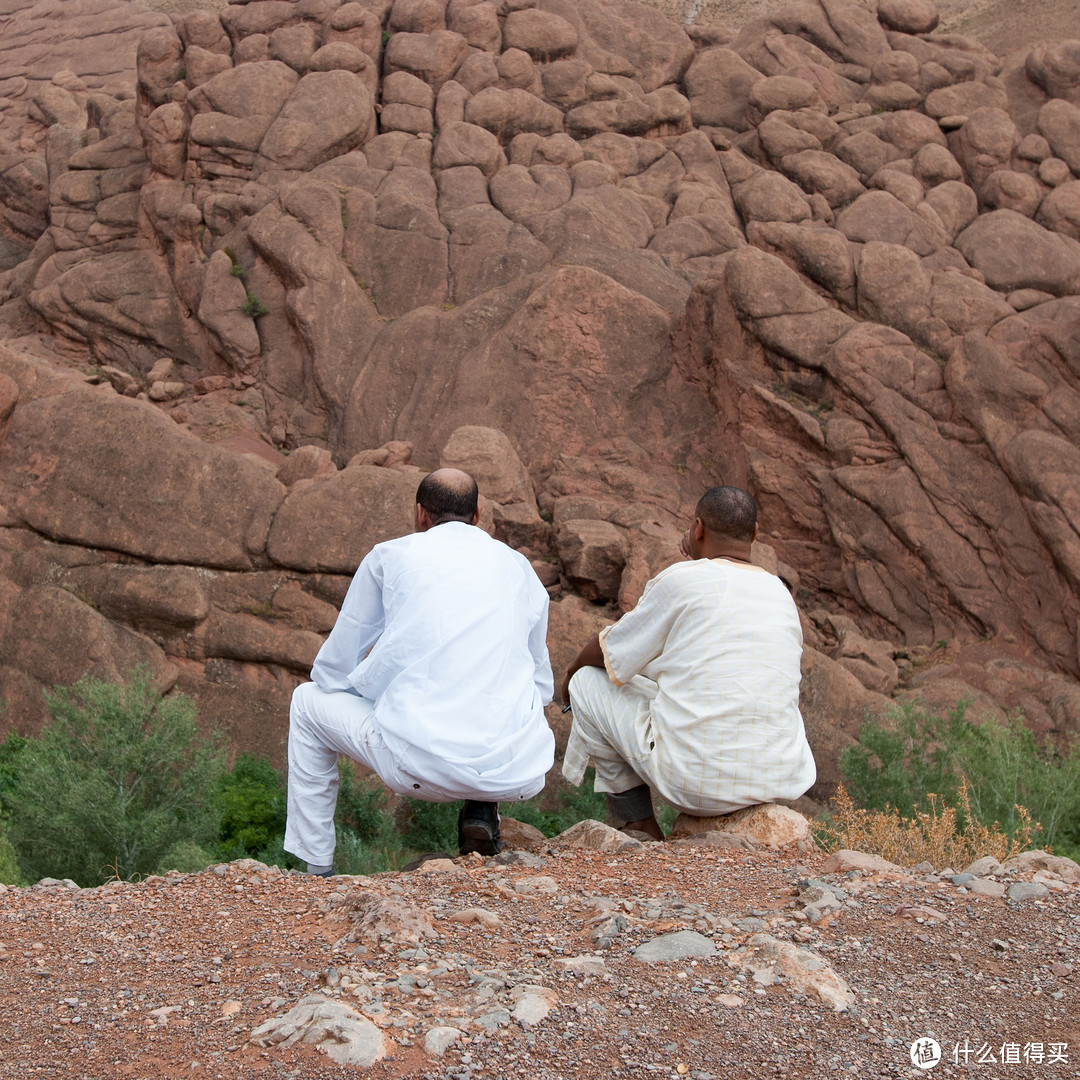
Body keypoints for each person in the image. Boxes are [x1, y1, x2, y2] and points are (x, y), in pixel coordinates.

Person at [285, 468, 555, 872]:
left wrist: (366, 693)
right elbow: (541, 683)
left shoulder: (390, 556)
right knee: (497, 691)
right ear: (477, 515)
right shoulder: (518, 567)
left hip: (417, 770)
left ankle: (317, 869)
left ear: (420, 516)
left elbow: (336, 664)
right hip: (518, 773)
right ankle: (481, 809)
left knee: (306, 703)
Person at [560, 485, 815, 840]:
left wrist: (571, 673)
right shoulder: (780, 594)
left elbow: (610, 652)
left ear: (697, 528)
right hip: (782, 777)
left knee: (588, 680)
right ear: (755, 534)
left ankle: (638, 822)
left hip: (697, 784)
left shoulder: (682, 580)